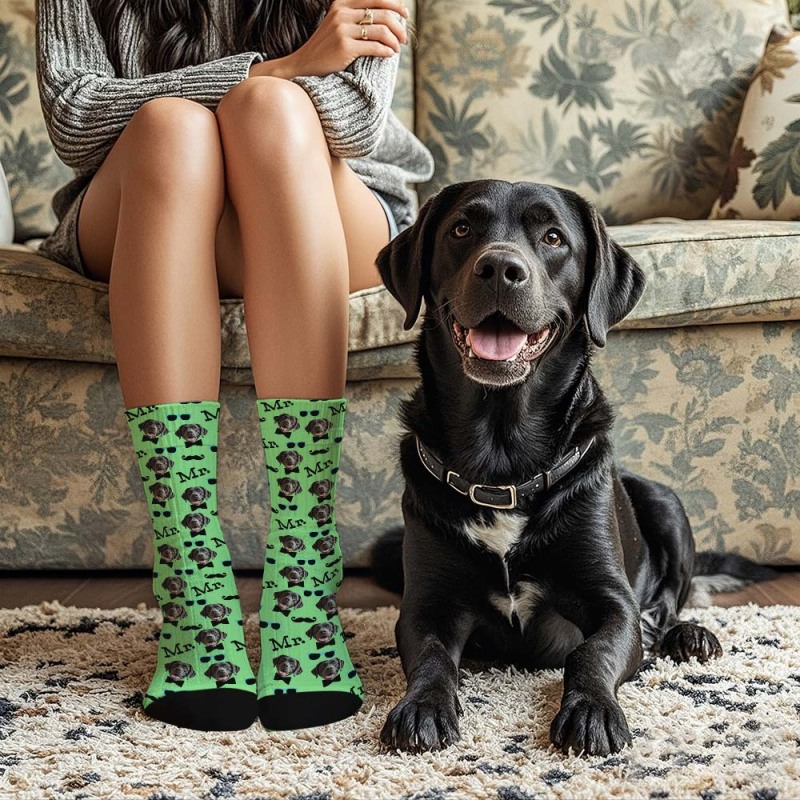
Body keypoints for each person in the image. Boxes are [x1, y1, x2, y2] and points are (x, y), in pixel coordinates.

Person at [34, 0, 434, 734]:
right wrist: (278, 67)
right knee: (172, 128)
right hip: (147, 204)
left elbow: (355, 122)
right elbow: (74, 117)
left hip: (324, 203)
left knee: (270, 111)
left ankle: (304, 585)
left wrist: (267, 88)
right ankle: (194, 590)